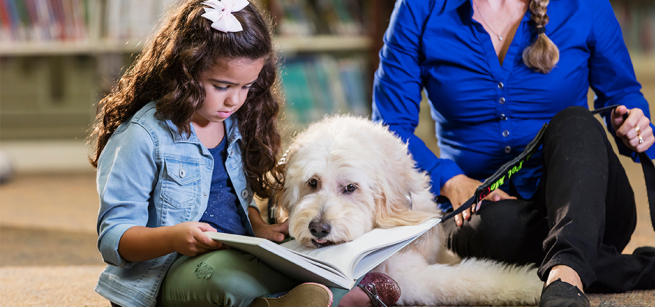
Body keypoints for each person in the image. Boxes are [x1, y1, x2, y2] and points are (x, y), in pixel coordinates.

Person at [89, 1, 397, 307]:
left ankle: (292, 299)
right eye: (221, 86)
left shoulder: (234, 123)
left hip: (240, 251)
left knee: (324, 254)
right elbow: (114, 239)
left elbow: (235, 201)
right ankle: (328, 298)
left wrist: (260, 228)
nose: (234, 100)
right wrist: (173, 237)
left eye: (247, 86)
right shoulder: (142, 137)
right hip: (170, 272)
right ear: (184, 71)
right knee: (225, 279)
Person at [372, 0, 655, 306]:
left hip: (588, 199)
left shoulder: (584, 5)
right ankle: (597, 267)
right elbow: (389, 127)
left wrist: (631, 122)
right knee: (492, 230)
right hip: (480, 206)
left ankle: (566, 274)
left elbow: (623, 94)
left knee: (575, 119)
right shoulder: (418, 8)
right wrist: (451, 180)